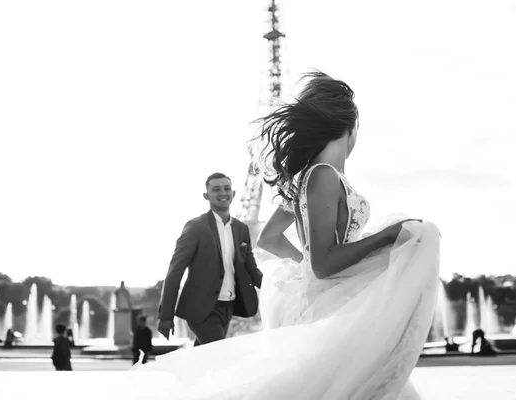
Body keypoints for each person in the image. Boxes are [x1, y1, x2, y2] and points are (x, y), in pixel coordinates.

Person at [133, 71, 440, 400]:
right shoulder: (323, 176)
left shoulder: (309, 178)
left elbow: (271, 240)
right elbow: (323, 264)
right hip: (331, 300)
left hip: (328, 294)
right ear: (350, 130)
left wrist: (305, 265)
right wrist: (387, 236)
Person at [157, 172, 263, 346]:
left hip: (228, 307)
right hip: (200, 308)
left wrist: (277, 287)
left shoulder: (241, 229)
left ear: (234, 193)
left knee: (206, 359)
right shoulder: (195, 227)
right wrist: (166, 316)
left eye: (227, 188)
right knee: (220, 355)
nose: (223, 193)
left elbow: (251, 269)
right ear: (206, 196)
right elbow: (175, 271)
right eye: (216, 189)